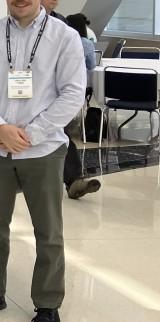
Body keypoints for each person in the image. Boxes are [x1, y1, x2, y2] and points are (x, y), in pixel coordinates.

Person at [0, 0, 85, 322]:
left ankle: (48, 305)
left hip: (43, 151)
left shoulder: (63, 37)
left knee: (48, 231)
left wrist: (29, 133)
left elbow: (72, 93)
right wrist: (0, 125)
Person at [61, 13, 100, 199]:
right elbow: (91, 66)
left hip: (58, 96)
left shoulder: (60, 23)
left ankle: (74, 180)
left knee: (60, 135)